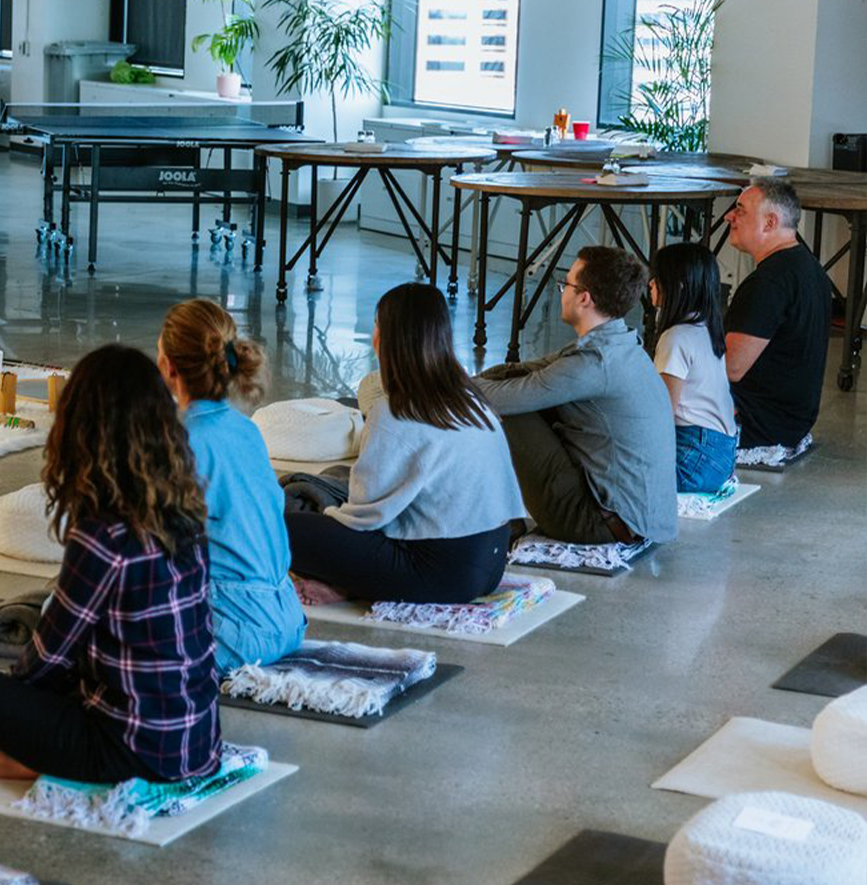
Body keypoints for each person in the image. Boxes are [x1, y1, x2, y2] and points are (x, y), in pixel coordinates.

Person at [0, 344, 220, 785]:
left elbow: (46, 658)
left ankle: (34, 762)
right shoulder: (184, 509)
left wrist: (6, 711)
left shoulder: (103, 534)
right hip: (197, 740)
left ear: (80, 428)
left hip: (132, 754)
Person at [284, 285, 525, 604]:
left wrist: (327, 518)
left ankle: (345, 586)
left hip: (439, 573)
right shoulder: (471, 400)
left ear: (385, 337)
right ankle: (347, 586)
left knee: (273, 526)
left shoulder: (394, 411)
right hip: (491, 564)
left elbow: (364, 516)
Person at [477, 246, 677, 546]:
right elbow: (520, 371)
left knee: (509, 411)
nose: (562, 292)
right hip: (634, 518)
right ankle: (501, 519)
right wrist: (472, 380)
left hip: (601, 524)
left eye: (566, 284)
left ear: (584, 298)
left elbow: (503, 398)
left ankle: (494, 520)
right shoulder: (619, 343)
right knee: (519, 389)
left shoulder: (594, 365)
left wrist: (438, 384)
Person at [155, 298, 303, 670]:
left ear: (167, 367)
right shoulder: (246, 429)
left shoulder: (182, 441)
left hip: (235, 633)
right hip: (287, 617)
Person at [723, 178, 829, 451]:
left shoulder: (768, 282)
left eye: (740, 210)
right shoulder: (809, 266)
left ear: (770, 223)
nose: (729, 216)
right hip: (793, 418)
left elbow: (730, 368)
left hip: (760, 421)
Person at [649, 242, 738, 493]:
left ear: (676, 287)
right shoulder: (705, 327)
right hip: (722, 456)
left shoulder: (676, 337)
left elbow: (662, 411)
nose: (650, 284)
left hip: (694, 459)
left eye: (656, 278)